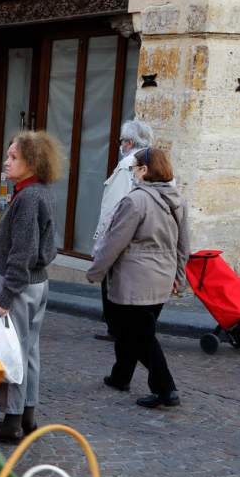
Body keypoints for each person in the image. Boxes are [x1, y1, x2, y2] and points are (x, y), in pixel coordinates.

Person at [87, 148, 189, 409]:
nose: (132, 173)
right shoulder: (178, 199)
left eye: (135, 168)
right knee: (132, 330)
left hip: (136, 278)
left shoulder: (135, 201)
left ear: (144, 170)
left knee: (139, 335)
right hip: (161, 276)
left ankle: (166, 388)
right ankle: (121, 375)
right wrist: (178, 276)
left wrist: (96, 271)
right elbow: (183, 245)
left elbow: (114, 243)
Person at [0, 131, 61, 443]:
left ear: (32, 162)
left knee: (12, 350)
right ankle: (27, 415)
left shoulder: (29, 197)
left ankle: (12, 420)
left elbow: (23, 251)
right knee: (29, 349)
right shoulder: (39, 192)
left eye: (13, 157)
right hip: (37, 283)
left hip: (20, 284)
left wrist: (4, 296)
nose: (6, 161)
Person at [93, 119, 154, 341]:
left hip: (120, 232)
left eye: (122, 141)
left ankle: (115, 326)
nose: (121, 145)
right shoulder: (152, 162)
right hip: (140, 233)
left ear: (128, 142)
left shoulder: (128, 164)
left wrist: (102, 238)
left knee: (112, 279)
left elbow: (114, 204)